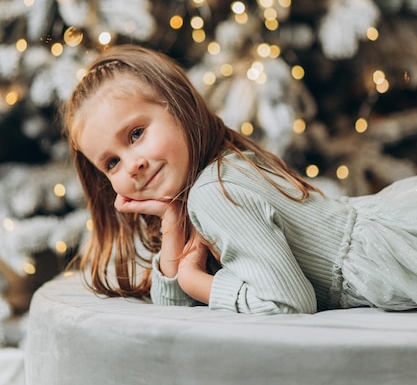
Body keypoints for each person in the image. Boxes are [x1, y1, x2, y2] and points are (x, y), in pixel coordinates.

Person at [63, 44, 417, 314]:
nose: (132, 164)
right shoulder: (214, 175)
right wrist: (171, 225)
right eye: (111, 162)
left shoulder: (214, 191)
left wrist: (198, 282)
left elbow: (287, 302)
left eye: (136, 133)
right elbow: (173, 318)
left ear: (179, 106)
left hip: (390, 255)